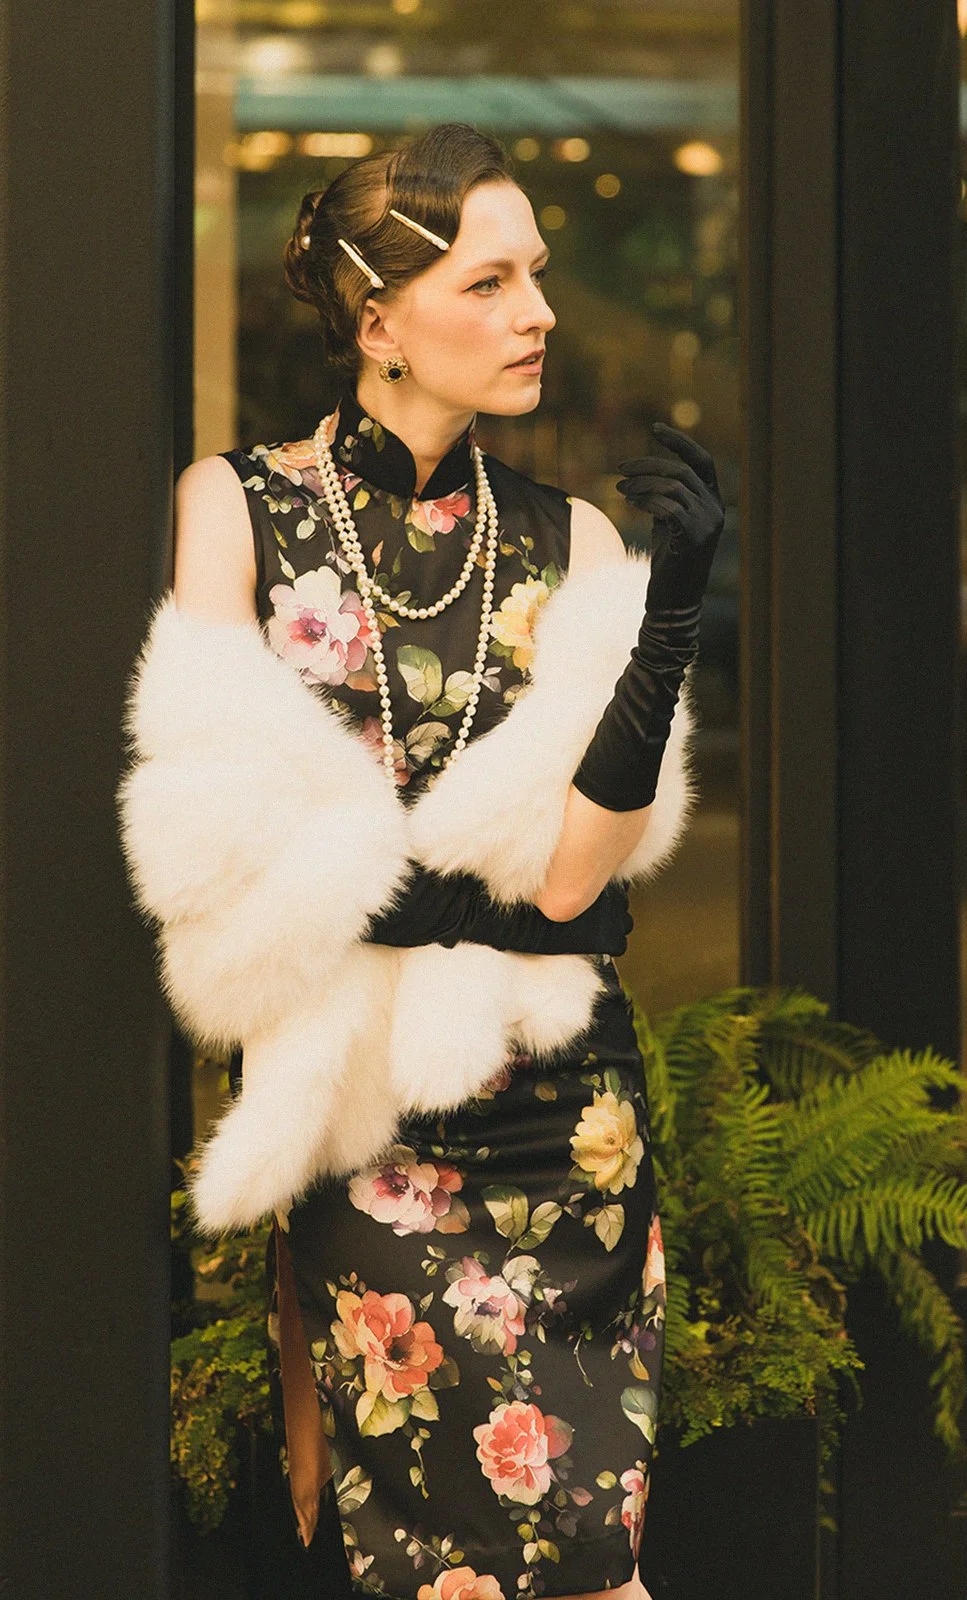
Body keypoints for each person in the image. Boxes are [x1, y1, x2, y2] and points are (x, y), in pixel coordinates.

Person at [118, 121, 724, 1600]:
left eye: (539, 276)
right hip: (369, 1114)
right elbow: (211, 831)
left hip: (567, 1122)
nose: (540, 313)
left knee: (591, 1548)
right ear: (378, 321)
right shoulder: (235, 508)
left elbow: (575, 884)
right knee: (437, 1558)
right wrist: (443, 894)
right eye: (490, 282)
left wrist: (666, 632)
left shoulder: (575, 541)